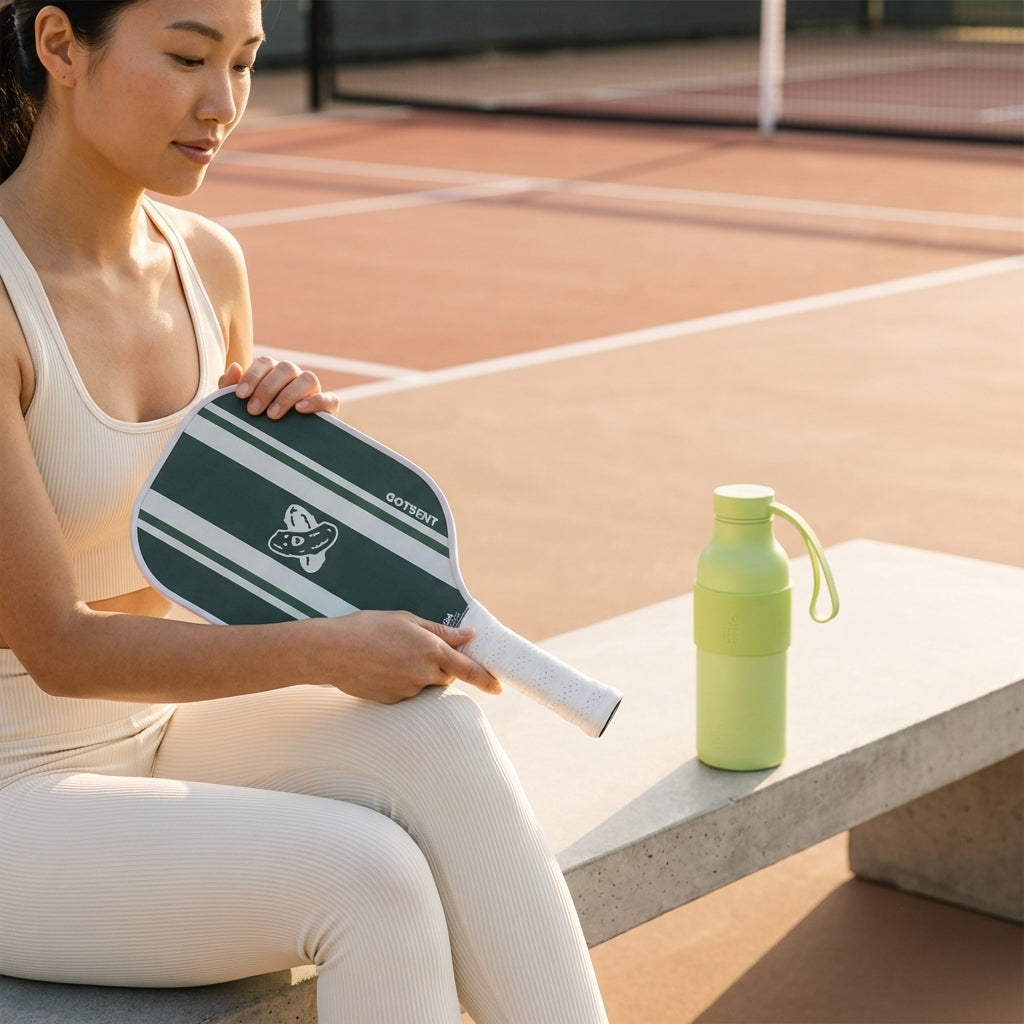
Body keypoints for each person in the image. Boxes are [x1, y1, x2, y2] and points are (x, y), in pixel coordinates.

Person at [0, 2, 610, 1021]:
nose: (222, 104)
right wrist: (328, 649)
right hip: (17, 788)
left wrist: (285, 452)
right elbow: (60, 647)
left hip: (160, 728)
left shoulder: (208, 263)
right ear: (61, 46)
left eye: (243, 64)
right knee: (367, 875)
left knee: (442, 738)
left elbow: (228, 561)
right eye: (189, 58)